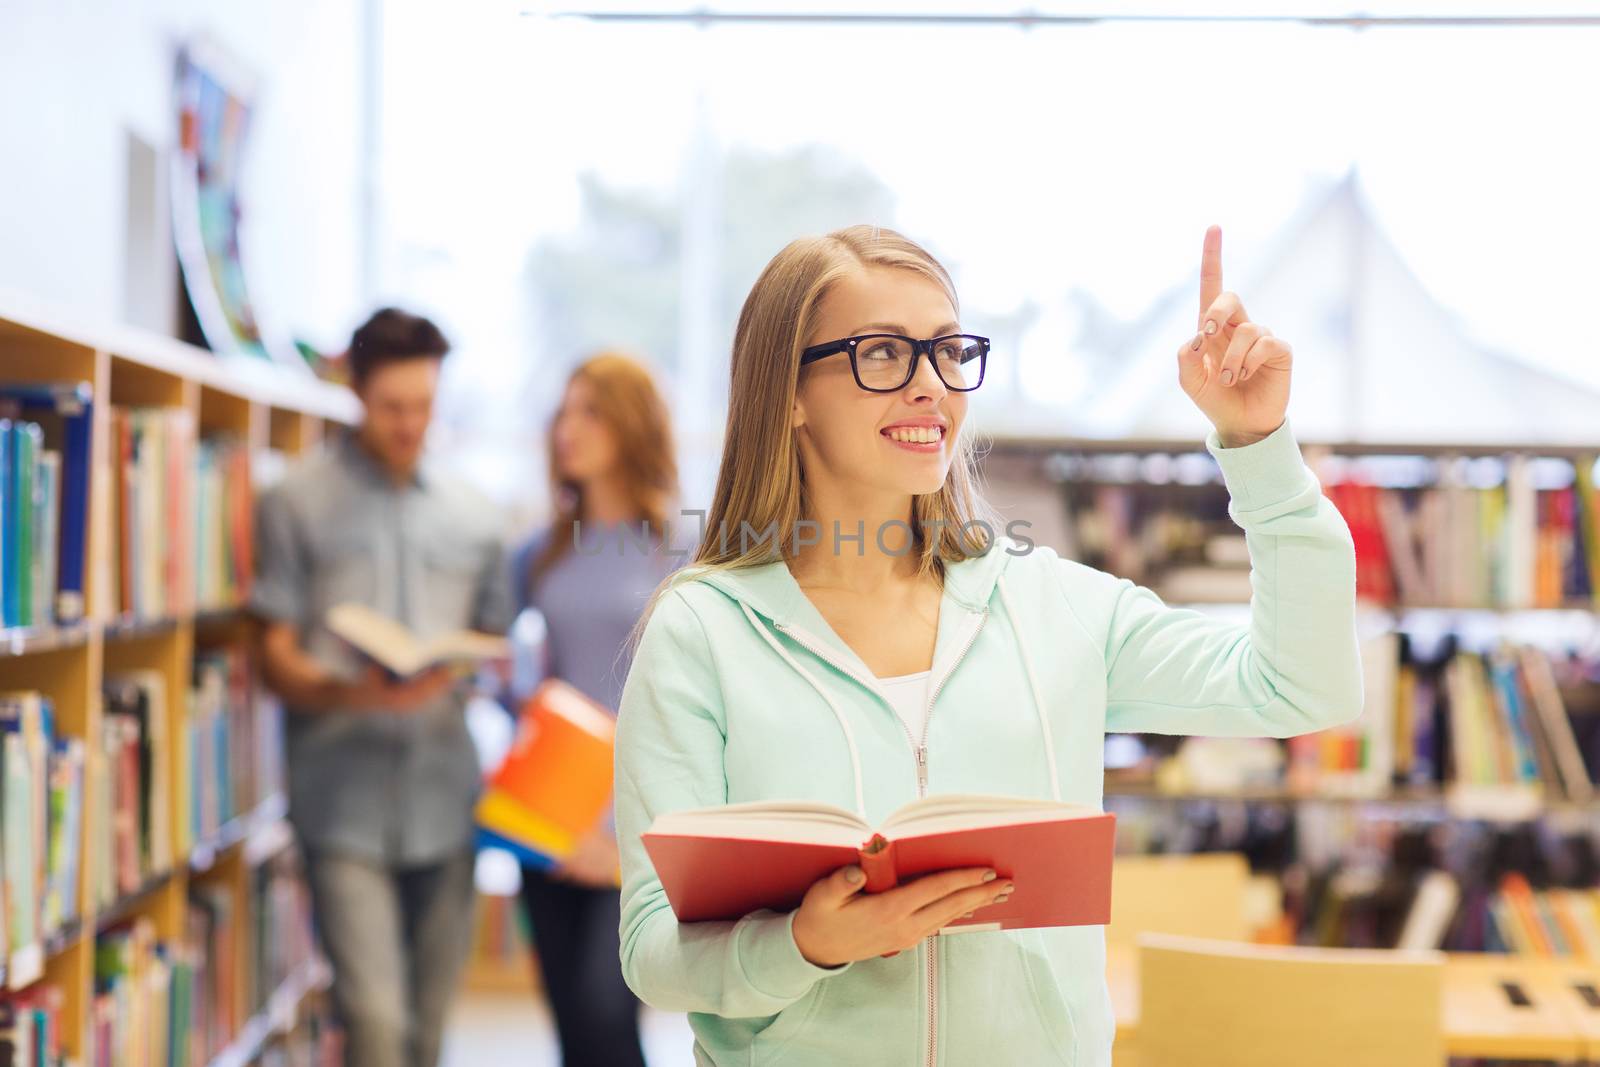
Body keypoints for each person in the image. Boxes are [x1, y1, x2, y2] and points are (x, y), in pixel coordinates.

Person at [614, 225, 1363, 1065]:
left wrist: (1260, 447)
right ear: (788, 391)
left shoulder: (1053, 606)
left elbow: (1303, 686)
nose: (932, 386)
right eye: (885, 354)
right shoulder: (703, 631)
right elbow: (651, 949)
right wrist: (805, 942)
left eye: (947, 352)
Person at [251, 308, 515, 1067]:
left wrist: (463, 664)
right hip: (341, 802)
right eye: (393, 407)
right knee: (373, 1023)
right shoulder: (294, 501)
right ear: (356, 392)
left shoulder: (477, 516)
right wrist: (355, 690)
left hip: (446, 794)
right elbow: (273, 656)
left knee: (426, 1031)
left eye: (425, 406)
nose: (410, 424)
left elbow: (494, 645)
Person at [508, 352, 678, 1067]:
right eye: (563, 411)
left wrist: (612, 830)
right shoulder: (537, 555)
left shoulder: (681, 551)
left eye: (590, 411)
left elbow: (686, 705)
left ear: (632, 425)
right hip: (547, 816)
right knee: (574, 1032)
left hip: (631, 825)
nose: (566, 429)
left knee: (609, 1019)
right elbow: (516, 682)